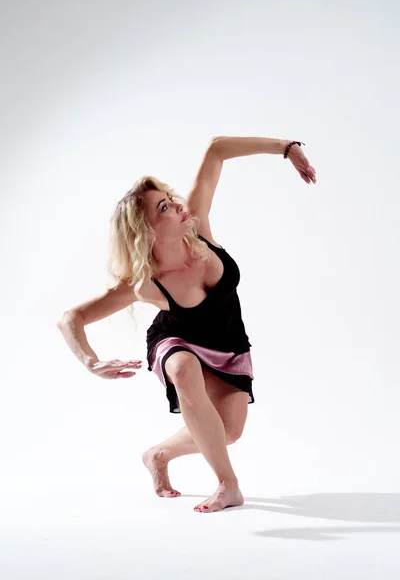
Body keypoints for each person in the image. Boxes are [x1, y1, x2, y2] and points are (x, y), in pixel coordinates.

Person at [57, 136, 316, 513]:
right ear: (145, 230)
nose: (177, 205)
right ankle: (229, 485)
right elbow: (71, 318)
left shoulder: (198, 227)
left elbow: (217, 150)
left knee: (228, 432)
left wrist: (287, 148)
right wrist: (89, 361)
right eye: (164, 206)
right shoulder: (145, 283)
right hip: (176, 341)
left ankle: (158, 455)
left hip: (229, 344)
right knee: (182, 366)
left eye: (170, 196)